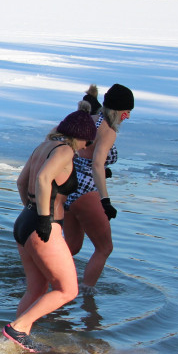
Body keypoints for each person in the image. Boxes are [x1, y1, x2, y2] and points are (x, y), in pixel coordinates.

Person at [4, 109, 97, 353]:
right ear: (81, 136)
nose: (88, 146)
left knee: (36, 289)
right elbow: (44, 179)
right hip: (44, 227)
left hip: (25, 222)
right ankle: (18, 328)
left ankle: (13, 343)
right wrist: (44, 219)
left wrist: (31, 210)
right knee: (68, 289)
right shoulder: (65, 150)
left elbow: (21, 182)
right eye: (88, 140)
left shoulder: (43, 146)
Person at [63, 84, 135, 293]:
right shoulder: (108, 130)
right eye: (126, 111)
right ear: (117, 110)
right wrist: (106, 201)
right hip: (86, 191)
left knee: (72, 246)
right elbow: (96, 164)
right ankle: (86, 293)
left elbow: (83, 156)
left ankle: (37, 276)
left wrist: (103, 169)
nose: (127, 117)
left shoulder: (89, 120)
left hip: (67, 188)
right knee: (104, 248)